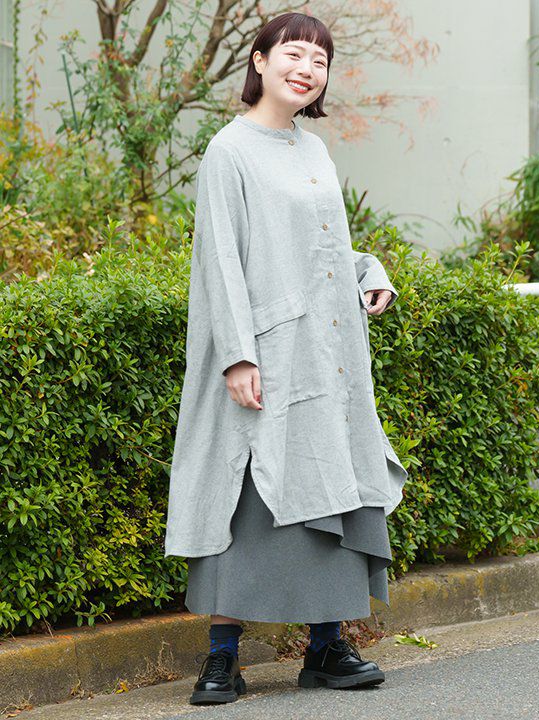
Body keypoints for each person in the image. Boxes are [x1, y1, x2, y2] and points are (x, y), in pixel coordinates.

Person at [163, 11, 409, 706]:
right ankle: (221, 658)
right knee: (246, 498)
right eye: (294, 54)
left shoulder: (315, 150)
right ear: (260, 60)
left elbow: (322, 247)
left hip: (325, 357)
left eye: (319, 61)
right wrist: (237, 356)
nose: (307, 70)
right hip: (265, 356)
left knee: (327, 488)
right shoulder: (229, 150)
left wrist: (369, 271)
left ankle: (325, 647)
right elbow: (220, 262)